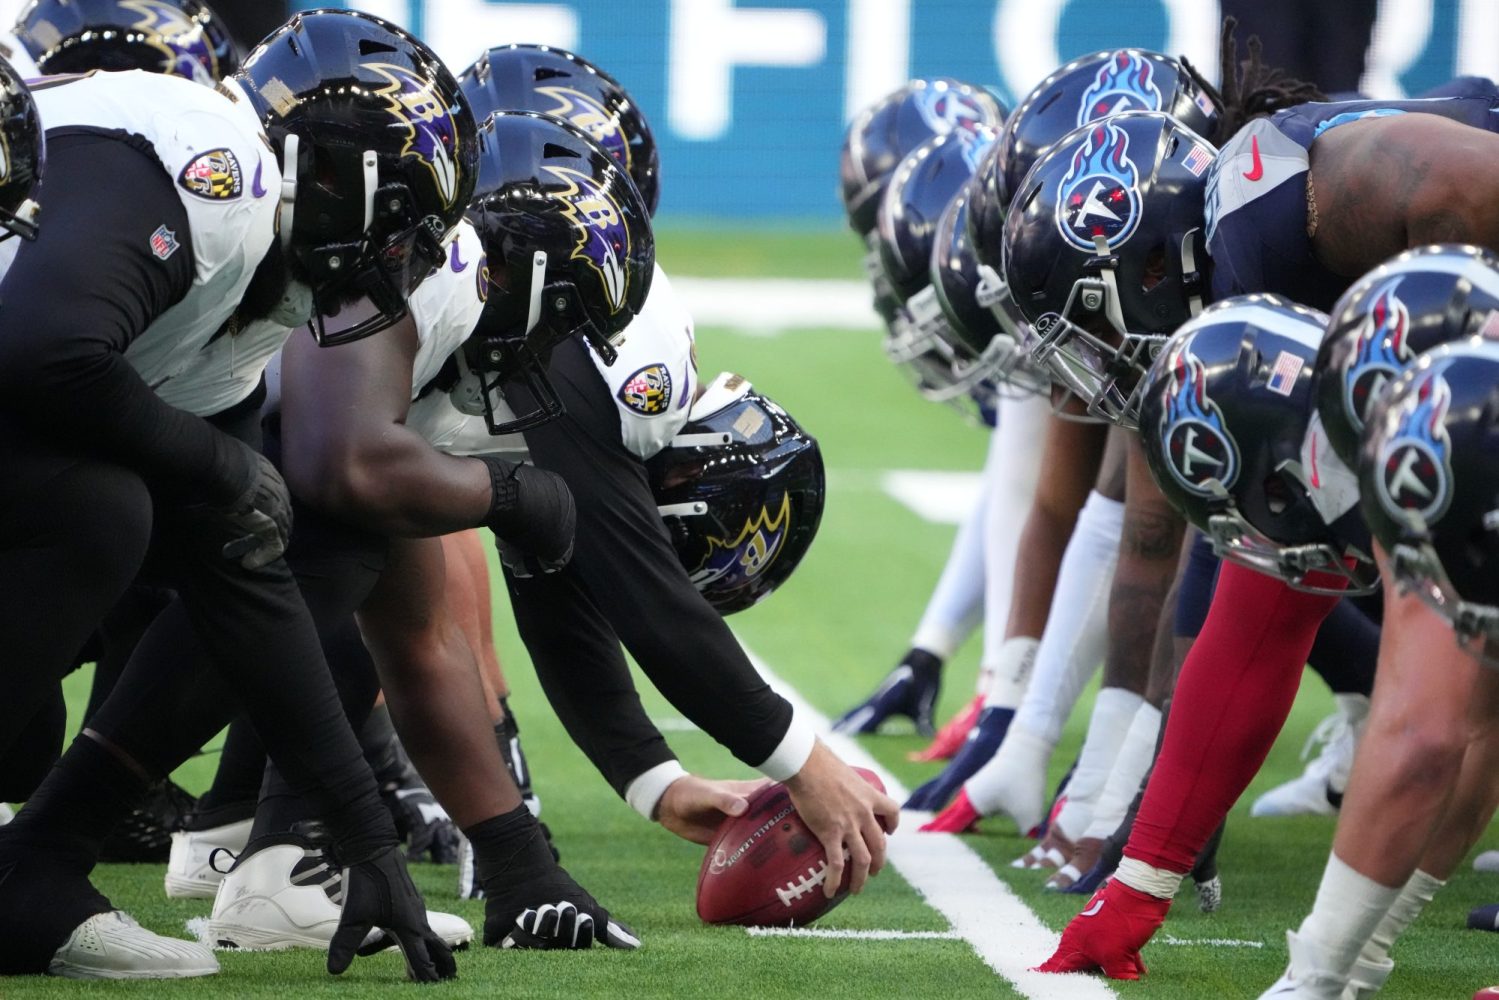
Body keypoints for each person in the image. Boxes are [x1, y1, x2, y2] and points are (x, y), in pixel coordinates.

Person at [0, 9, 493, 980]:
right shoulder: (207, 162)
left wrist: (366, 836)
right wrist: (222, 463)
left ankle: (32, 878)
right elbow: (35, 348)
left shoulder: (247, 281)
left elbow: (244, 576)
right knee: (101, 512)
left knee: (225, 541)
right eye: (401, 229)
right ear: (339, 173)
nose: (399, 268)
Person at [1004, 24, 1499, 982]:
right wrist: (1144, 879)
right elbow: (1267, 598)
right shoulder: (1269, 230)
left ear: (1149, 268)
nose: (1104, 371)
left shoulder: (1264, 239)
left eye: (1095, 333)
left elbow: (1462, 183)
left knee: (1450, 660)